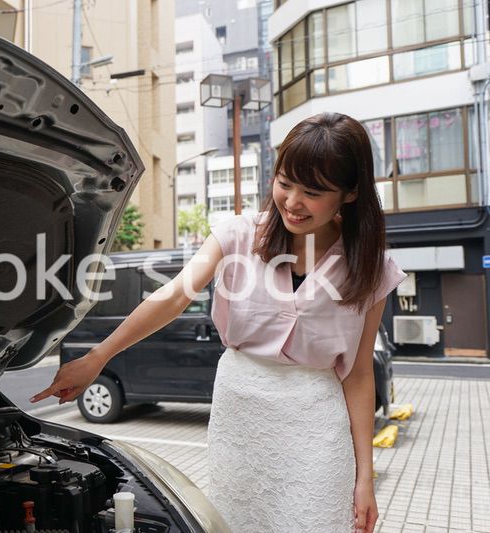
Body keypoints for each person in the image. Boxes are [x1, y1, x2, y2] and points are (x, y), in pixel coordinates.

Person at [30, 112, 406, 533]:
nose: (293, 202)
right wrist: (98, 356)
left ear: (350, 193)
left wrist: (365, 479)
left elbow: (356, 375)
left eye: (313, 191)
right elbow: (173, 296)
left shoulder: (372, 267)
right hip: (240, 416)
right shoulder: (238, 235)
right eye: (284, 183)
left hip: (316, 424)